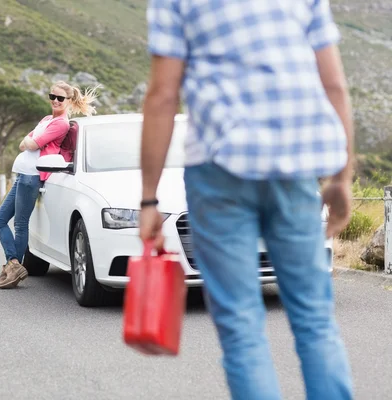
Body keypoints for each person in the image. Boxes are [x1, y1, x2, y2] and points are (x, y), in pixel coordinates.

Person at [139, 1, 354, 399]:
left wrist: (150, 200)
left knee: (241, 327)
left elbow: (163, 96)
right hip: (293, 167)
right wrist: (342, 177)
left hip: (218, 171)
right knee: (314, 320)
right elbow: (334, 84)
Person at [0, 81, 100, 289]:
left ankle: (12, 268)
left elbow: (31, 143)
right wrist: (29, 140)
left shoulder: (61, 124)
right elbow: (24, 144)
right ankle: (13, 265)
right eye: (52, 97)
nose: (55, 101)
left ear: (68, 101)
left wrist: (31, 140)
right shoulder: (47, 119)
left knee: (20, 224)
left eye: (60, 98)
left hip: (32, 176)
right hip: (23, 175)